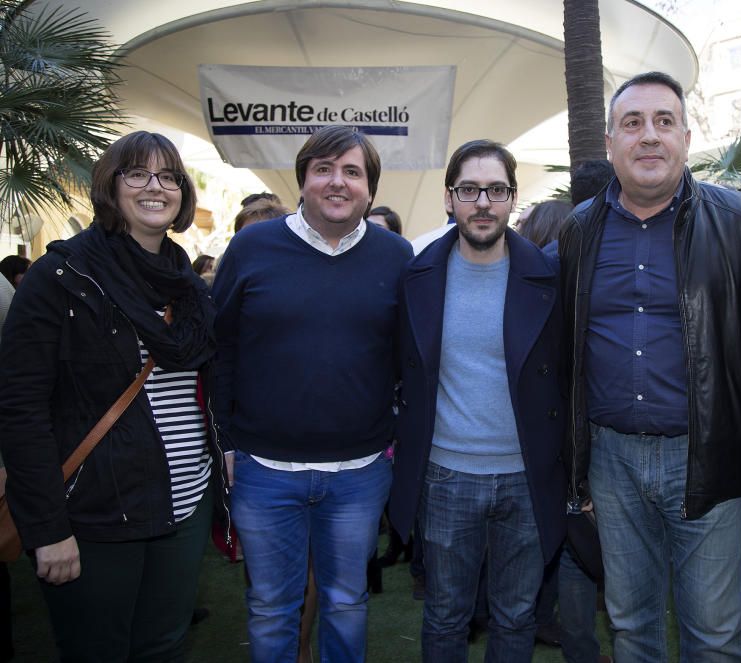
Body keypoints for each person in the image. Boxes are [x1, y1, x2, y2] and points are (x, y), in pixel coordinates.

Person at [558, 71, 741, 662]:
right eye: (632, 124)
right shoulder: (579, 230)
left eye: (664, 122)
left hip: (708, 459)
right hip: (611, 462)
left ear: (686, 136)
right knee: (632, 627)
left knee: (713, 635)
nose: (649, 137)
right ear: (609, 144)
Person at [0, 130, 220, 661]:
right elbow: (21, 410)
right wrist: (47, 529)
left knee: (163, 646)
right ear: (110, 184)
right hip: (96, 511)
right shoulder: (61, 275)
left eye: (169, 176)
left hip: (185, 502)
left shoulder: (185, 283)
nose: (156, 187)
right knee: (96, 651)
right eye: (138, 173)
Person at [212, 125, 413, 662]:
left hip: (360, 473)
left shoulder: (396, 256)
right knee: (271, 606)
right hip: (264, 469)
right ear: (302, 179)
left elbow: (407, 358)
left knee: (347, 604)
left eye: (352, 171)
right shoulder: (252, 247)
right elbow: (222, 349)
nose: (338, 182)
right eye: (324, 169)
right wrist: (227, 443)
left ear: (370, 188)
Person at [388, 139, 566, 661]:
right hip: (446, 476)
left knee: (516, 617)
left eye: (496, 190)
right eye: (469, 189)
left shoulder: (549, 277)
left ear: (513, 199)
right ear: (449, 199)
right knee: (446, 616)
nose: (482, 202)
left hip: (528, 477)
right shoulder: (417, 277)